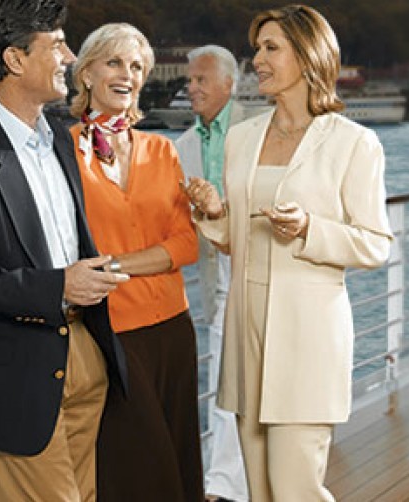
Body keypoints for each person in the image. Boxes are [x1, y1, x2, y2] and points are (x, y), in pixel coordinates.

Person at [0, 0, 130, 500]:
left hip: (86, 352)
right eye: (56, 46)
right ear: (15, 60)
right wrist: (57, 286)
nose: (70, 58)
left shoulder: (60, 140)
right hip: (18, 376)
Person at [184, 5, 393, 501]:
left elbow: (375, 243)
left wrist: (308, 229)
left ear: (307, 55)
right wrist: (214, 212)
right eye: (257, 48)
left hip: (307, 335)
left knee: (296, 488)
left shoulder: (354, 143)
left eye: (271, 48)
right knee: (259, 491)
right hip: (246, 331)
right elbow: (238, 237)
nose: (257, 59)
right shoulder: (242, 139)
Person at [67, 23, 204, 502]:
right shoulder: (62, 153)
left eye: (136, 66)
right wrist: (143, 262)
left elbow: (187, 245)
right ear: (86, 74)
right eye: (114, 62)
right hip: (109, 334)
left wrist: (111, 267)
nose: (127, 75)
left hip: (173, 329)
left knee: (178, 461)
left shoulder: (162, 150)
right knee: (136, 469)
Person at [173, 45, 250, 502]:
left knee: (267, 382)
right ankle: (223, 483)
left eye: (201, 79)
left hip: (260, 266)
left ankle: (257, 476)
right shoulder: (182, 146)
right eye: (190, 80)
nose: (192, 87)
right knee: (224, 378)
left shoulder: (258, 128)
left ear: (228, 84)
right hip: (216, 275)